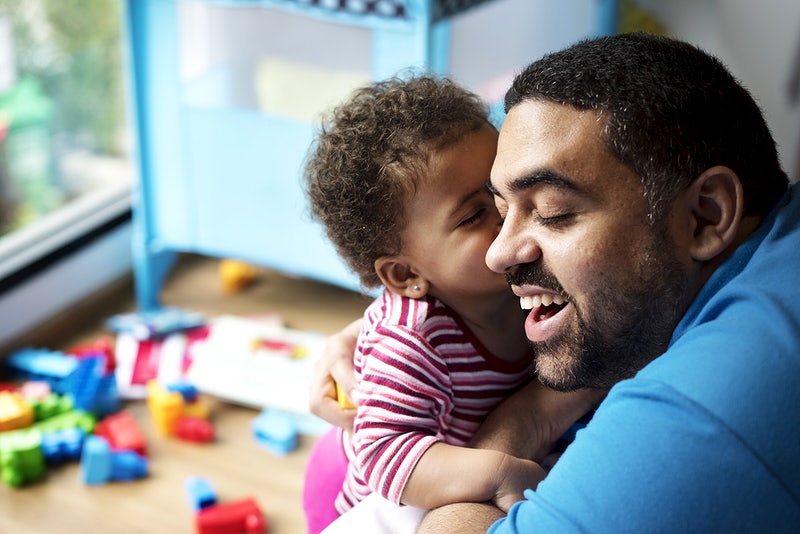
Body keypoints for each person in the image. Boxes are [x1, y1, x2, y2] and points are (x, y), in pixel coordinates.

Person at [313, 32, 800, 533]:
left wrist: (517, 429)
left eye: (553, 212)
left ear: (704, 214)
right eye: (495, 208)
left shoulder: (701, 412)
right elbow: (384, 447)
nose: (500, 251)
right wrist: (372, 332)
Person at [301, 75, 600, 533]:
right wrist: (498, 471)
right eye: (474, 214)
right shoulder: (412, 340)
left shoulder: (520, 278)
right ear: (406, 275)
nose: (507, 213)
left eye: (500, 188)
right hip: (364, 500)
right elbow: (385, 455)